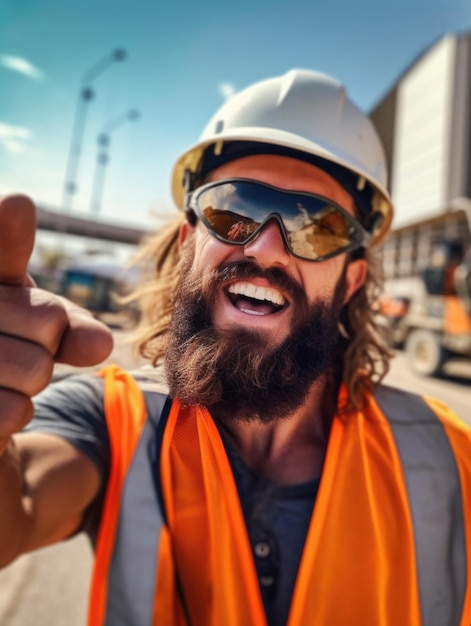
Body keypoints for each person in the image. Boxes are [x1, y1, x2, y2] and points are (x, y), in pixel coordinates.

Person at [0, 69, 470, 626]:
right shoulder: (112, 421)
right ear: (187, 241)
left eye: (317, 227)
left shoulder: (450, 456)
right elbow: (19, 503)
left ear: (351, 280)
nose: (268, 247)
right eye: (234, 208)